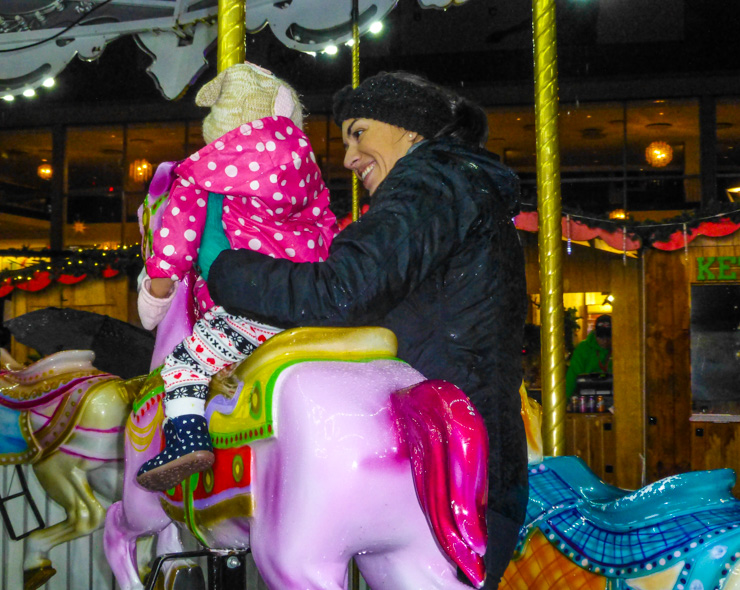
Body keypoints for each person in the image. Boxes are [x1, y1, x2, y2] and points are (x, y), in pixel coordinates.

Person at [205, 71, 528, 589]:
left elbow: (343, 292)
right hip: (467, 439)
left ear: (410, 129)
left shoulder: (432, 182)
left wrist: (224, 267)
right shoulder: (465, 192)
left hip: (439, 448)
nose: (350, 157)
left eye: (359, 132)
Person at [135, 62, 338, 492]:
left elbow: (175, 241)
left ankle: (186, 441)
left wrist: (156, 289)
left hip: (249, 311)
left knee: (184, 365)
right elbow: (328, 232)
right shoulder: (311, 173)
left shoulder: (200, 174)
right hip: (313, 306)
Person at [566, 314, 612, 398]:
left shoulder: (621, 350)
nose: (605, 340)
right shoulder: (583, 349)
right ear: (595, 333)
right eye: (601, 336)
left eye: (608, 336)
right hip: (587, 400)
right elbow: (571, 378)